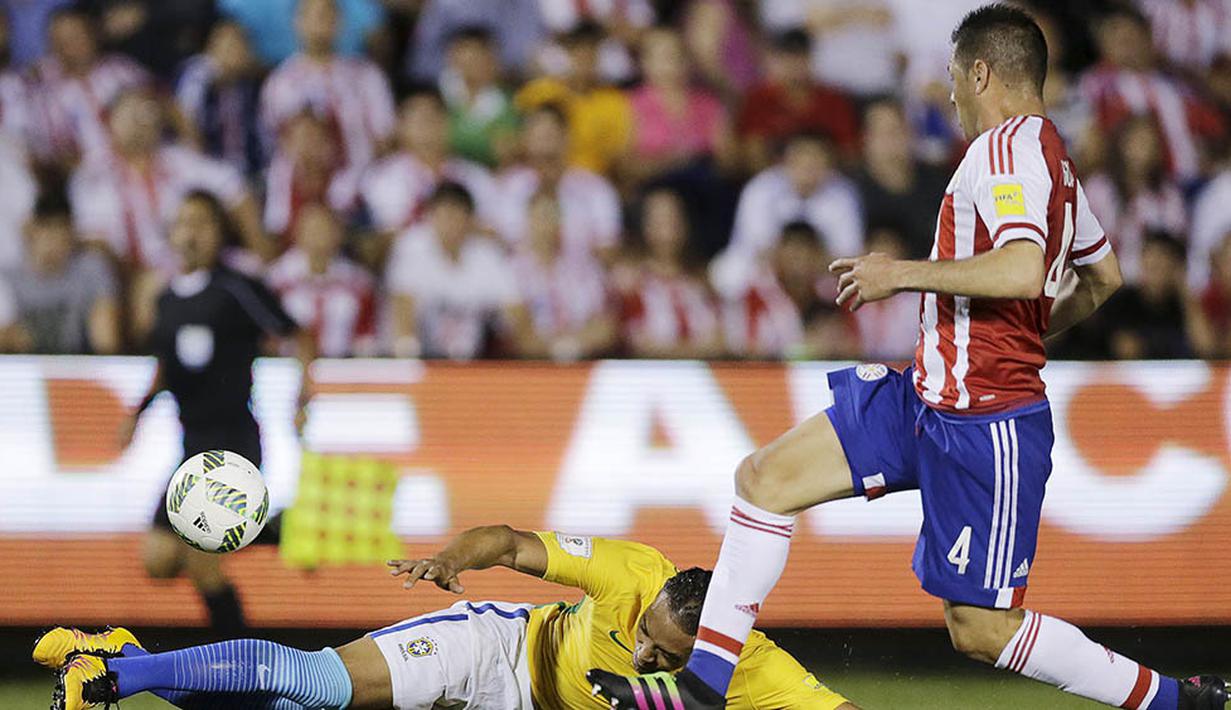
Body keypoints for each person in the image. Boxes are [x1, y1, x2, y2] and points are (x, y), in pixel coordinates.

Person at [590, 6, 1229, 709]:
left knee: (979, 631)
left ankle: (1177, 701)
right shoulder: (1053, 160)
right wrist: (1016, 336)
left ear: (980, 73)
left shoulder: (1005, 150)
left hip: (984, 421)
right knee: (764, 478)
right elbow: (1102, 275)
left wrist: (900, 274)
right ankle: (700, 689)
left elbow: (1022, 269)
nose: (950, 97)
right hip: (924, 395)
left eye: (953, 79)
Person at [39, 525, 856, 710]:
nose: (644, 655)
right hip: (499, 651)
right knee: (319, 684)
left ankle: (121, 654)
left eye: (668, 657)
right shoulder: (631, 573)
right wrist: (451, 560)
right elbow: (510, 541)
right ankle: (111, 676)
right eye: (646, 635)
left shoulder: (757, 670)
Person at [119, 191, 314, 637]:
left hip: (233, 443)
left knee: (201, 560)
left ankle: (238, 659)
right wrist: (138, 413)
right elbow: (167, 367)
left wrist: (303, 397)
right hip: (191, 447)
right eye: (184, 222)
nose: (192, 232)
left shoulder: (236, 288)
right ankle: (270, 529)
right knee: (158, 560)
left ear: (218, 233)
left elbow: (297, 335)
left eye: (202, 223)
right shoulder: (167, 299)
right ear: (172, 234)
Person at [385, 181, 528, 360]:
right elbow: (402, 312)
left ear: (470, 220)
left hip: (474, 363)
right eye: (444, 216)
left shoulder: (486, 254)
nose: (450, 224)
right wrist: (409, 357)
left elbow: (517, 313)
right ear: (431, 217)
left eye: (456, 216)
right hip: (423, 358)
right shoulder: (412, 247)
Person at [710, 131, 863, 298]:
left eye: (816, 159)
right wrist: (795, 263)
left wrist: (805, 264)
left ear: (830, 164)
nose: (809, 167)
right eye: (802, 158)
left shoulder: (843, 194)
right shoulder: (761, 188)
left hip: (819, 272)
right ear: (785, 160)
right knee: (728, 273)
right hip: (764, 267)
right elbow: (760, 248)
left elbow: (848, 255)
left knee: (846, 283)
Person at [259, 0, 395, 171]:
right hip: (303, 182)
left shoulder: (367, 76)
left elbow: (385, 136)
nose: (320, 21)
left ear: (340, 21)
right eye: (312, 15)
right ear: (297, 21)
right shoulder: (280, 82)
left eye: (326, 14)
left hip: (363, 177)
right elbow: (272, 143)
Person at [359, 85, 501, 240]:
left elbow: (493, 231)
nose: (428, 126)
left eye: (435, 116)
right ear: (400, 127)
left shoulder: (475, 176)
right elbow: (390, 236)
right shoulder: (381, 178)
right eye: (420, 119)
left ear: (448, 123)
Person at [497, 104, 622, 264]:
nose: (544, 146)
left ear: (567, 138)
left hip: (581, 275)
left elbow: (608, 247)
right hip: (519, 275)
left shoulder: (595, 188)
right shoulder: (511, 186)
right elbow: (499, 240)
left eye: (550, 135)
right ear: (525, 140)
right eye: (538, 136)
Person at [1, 193, 120, 354]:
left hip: (80, 363)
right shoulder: (8, 278)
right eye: (47, 230)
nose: (54, 242)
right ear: (30, 231)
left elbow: (106, 342)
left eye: (61, 232)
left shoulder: (90, 269)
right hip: (25, 365)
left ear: (72, 234)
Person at [30, 7, 152, 164]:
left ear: (92, 34)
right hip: (89, 172)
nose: (71, 46)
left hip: (145, 161)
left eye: (76, 36)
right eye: (62, 40)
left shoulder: (122, 70)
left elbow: (163, 106)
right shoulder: (46, 94)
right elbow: (51, 156)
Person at [614, 187, 722, 360]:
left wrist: (678, 351)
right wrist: (693, 350)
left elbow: (720, 342)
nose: (668, 228)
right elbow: (638, 344)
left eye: (674, 218)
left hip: (700, 372)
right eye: (659, 219)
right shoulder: (630, 282)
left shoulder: (701, 282)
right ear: (644, 225)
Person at [515, 21, 634, 176]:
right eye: (579, 53)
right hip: (542, 175)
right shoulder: (541, 92)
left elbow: (618, 157)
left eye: (590, 55)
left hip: (593, 179)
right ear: (568, 54)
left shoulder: (613, 101)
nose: (584, 61)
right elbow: (518, 137)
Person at [511, 190, 617, 360]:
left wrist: (571, 345)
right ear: (528, 221)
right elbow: (519, 334)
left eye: (550, 217)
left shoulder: (584, 266)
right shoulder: (512, 269)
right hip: (531, 362)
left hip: (581, 355)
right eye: (539, 217)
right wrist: (556, 348)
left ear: (560, 223)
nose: (545, 225)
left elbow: (604, 325)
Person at [736, 28, 860, 172]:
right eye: (788, 58)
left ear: (811, 60)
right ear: (777, 61)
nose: (795, 66)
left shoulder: (833, 100)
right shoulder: (759, 99)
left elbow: (849, 154)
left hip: (825, 177)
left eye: (801, 58)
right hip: (773, 177)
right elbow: (751, 151)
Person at [267, 202, 376, 358]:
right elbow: (268, 335)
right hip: (288, 364)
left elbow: (367, 335)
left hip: (341, 365)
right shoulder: (276, 279)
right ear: (296, 233)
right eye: (311, 229)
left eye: (324, 229)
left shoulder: (358, 281)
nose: (318, 236)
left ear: (338, 234)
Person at [855, 97, 951, 260]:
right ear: (865, 138)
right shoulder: (852, 192)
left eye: (897, 130)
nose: (891, 141)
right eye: (882, 133)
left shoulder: (939, 183)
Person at [175, 20, 266, 178]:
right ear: (211, 49)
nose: (232, 51)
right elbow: (186, 123)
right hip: (211, 172)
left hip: (255, 171)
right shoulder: (198, 80)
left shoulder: (257, 83)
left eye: (238, 44)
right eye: (226, 45)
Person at [439, 25, 520, 168]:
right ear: (452, 57)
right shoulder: (438, 96)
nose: (472, 64)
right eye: (466, 55)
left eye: (478, 56)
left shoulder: (508, 104)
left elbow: (503, 152)